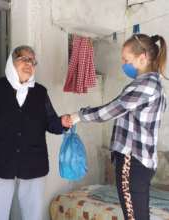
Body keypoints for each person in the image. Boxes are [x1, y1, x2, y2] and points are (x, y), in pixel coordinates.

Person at [0, 45, 72, 220]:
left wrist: (62, 123)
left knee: (33, 214)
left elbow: (50, 122)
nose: (29, 64)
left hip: (33, 162)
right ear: (12, 62)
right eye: (24, 59)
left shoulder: (40, 92)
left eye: (33, 61)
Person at [70, 34, 167, 220]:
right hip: (141, 162)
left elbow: (110, 111)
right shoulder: (154, 85)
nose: (123, 63)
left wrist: (77, 116)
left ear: (143, 57)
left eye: (126, 59)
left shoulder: (145, 86)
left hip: (132, 161)